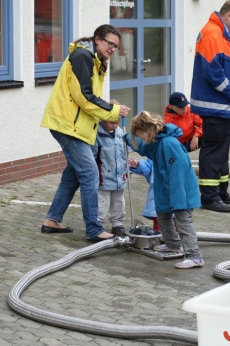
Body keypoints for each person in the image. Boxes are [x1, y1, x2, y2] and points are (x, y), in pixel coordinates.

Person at [40, 24, 130, 241]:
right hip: (67, 126)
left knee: (73, 174)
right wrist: (113, 110)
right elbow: (84, 96)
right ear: (97, 39)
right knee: (89, 173)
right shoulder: (82, 56)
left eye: (116, 46)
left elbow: (91, 97)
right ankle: (94, 229)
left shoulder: (97, 61)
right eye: (110, 43)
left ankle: (52, 219)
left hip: (79, 127)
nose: (112, 48)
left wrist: (106, 112)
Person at [125, 111, 204, 269]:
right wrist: (126, 138)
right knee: (163, 215)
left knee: (183, 222)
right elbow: (144, 149)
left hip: (180, 190)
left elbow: (178, 172)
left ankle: (195, 256)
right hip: (167, 189)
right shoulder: (156, 142)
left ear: (147, 131)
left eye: (140, 135)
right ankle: (173, 244)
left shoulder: (169, 144)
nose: (140, 139)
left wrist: (178, 198)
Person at [190, 0, 230, 213]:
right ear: (229, 15)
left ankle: (221, 190)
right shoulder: (213, 33)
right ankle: (209, 196)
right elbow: (212, 70)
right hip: (215, 105)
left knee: (222, 151)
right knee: (214, 151)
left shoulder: (219, 33)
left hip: (221, 107)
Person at [91, 102, 127, 236]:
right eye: (111, 122)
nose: (114, 126)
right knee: (102, 202)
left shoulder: (120, 133)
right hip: (104, 177)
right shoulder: (97, 135)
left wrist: (126, 169)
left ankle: (117, 223)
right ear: (103, 119)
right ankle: (97, 223)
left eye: (116, 123)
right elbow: (93, 156)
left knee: (118, 202)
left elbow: (124, 153)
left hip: (119, 176)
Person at [129, 157, 160, 232]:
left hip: (175, 194)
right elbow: (148, 167)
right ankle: (158, 237)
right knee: (159, 221)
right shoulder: (154, 152)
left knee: (178, 221)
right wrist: (138, 165)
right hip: (158, 194)